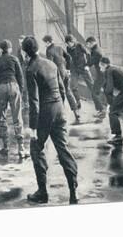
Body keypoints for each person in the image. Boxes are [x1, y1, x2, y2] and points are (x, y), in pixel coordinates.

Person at [23, 36, 79, 205]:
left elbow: (34, 101)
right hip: (59, 109)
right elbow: (62, 89)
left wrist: (33, 127)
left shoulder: (31, 68)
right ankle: (73, 191)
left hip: (45, 112)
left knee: (36, 148)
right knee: (63, 149)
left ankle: (42, 192)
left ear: (25, 52)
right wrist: (60, 110)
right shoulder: (51, 64)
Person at [0, 40, 27, 158]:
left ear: (0, 49)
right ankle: (21, 148)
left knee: (2, 117)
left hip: (1, 87)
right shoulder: (14, 59)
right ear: (10, 49)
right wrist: (20, 91)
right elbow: (20, 76)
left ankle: (5, 146)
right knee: (17, 116)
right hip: (13, 85)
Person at [43, 34, 81, 124]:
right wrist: (67, 69)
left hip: (58, 75)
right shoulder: (59, 47)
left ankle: (61, 115)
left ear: (48, 42)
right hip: (65, 73)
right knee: (68, 92)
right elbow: (69, 57)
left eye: (45, 43)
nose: (44, 45)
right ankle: (76, 113)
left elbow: (50, 65)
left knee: (59, 94)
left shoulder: (49, 50)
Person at [65, 34, 105, 119]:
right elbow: (68, 58)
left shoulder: (80, 46)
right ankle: (78, 102)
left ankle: (100, 108)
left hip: (83, 68)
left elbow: (88, 54)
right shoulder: (68, 48)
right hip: (75, 69)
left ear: (73, 41)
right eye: (68, 43)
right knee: (73, 86)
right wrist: (68, 69)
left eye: (70, 43)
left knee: (92, 87)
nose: (69, 45)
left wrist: (87, 65)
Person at [86, 36, 108, 116]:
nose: (87, 46)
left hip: (101, 75)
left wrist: (87, 57)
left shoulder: (95, 51)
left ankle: (101, 110)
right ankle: (103, 109)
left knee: (94, 92)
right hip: (105, 74)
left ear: (91, 43)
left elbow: (90, 62)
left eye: (88, 44)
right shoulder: (99, 49)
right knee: (101, 92)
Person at [17, 35, 29, 107]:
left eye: (22, 42)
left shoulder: (28, 49)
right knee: (23, 85)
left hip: (28, 67)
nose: (20, 44)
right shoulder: (19, 49)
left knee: (27, 86)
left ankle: (27, 102)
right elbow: (19, 59)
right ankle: (25, 102)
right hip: (22, 67)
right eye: (19, 43)